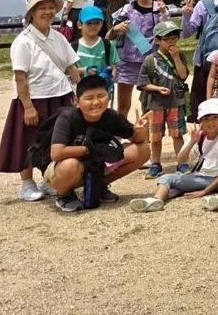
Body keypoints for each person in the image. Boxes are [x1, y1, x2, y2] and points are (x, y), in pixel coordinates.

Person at [0, 0, 81, 202]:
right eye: (42, 8)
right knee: (28, 140)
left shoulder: (58, 37)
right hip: (35, 99)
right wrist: (28, 107)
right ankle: (26, 184)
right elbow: (20, 78)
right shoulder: (23, 42)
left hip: (61, 95)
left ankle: (49, 179)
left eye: (51, 7)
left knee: (58, 140)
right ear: (31, 13)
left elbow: (71, 67)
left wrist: (81, 94)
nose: (48, 12)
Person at [42, 75, 151, 212]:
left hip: (95, 164)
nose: (96, 102)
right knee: (71, 165)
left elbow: (137, 140)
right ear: (76, 101)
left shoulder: (111, 116)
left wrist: (140, 131)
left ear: (109, 97)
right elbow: (56, 153)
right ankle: (64, 194)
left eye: (101, 96)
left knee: (143, 150)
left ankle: (97, 186)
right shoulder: (68, 118)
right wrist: (91, 149)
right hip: (62, 168)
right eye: (89, 98)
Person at [129, 97, 218, 212]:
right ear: (200, 121)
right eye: (206, 119)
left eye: (215, 117)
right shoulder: (199, 136)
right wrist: (192, 141)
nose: (211, 122)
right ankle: (156, 200)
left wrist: (205, 191)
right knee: (166, 178)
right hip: (200, 178)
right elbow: (180, 160)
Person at [108, 0, 168, 118]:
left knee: (149, 104)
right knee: (123, 106)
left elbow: (167, 32)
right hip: (127, 62)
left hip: (150, 63)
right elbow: (108, 36)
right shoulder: (125, 10)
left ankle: (146, 132)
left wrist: (163, 14)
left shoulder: (159, 9)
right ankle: (121, 130)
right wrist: (115, 28)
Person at [137, 20, 190, 178]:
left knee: (177, 134)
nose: (172, 42)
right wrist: (157, 88)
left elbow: (183, 76)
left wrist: (176, 58)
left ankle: (182, 162)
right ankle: (155, 163)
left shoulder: (179, 55)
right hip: (155, 104)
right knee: (155, 137)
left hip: (175, 101)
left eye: (174, 38)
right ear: (157, 41)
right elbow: (142, 83)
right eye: (167, 39)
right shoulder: (150, 60)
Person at [73, 5, 116, 96]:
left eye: (97, 22)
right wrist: (84, 70)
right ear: (79, 25)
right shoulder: (73, 46)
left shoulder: (108, 45)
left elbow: (114, 67)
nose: (93, 26)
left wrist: (109, 79)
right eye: (89, 23)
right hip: (80, 91)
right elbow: (68, 70)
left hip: (101, 90)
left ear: (102, 23)